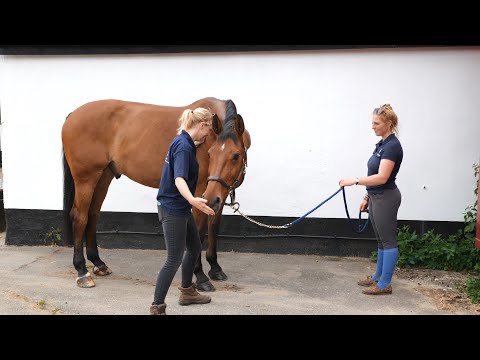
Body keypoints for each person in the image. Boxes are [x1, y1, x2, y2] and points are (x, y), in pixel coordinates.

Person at [150, 108, 216, 315]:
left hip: (179, 207)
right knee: (173, 259)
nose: (207, 135)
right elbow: (179, 178)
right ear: (202, 124)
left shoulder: (183, 141)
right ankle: (157, 307)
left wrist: (188, 203)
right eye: (208, 130)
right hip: (173, 209)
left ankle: (187, 292)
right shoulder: (183, 148)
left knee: (194, 245)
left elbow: (185, 152)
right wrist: (193, 200)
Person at [339, 103, 403, 295]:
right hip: (376, 197)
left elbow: (382, 177)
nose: (372, 126)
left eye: (376, 123)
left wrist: (355, 181)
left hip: (386, 197)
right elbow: (374, 173)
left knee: (388, 241)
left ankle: (384, 285)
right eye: (372, 123)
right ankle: (377, 278)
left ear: (389, 123)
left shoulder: (392, 146)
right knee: (381, 240)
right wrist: (367, 196)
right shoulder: (382, 145)